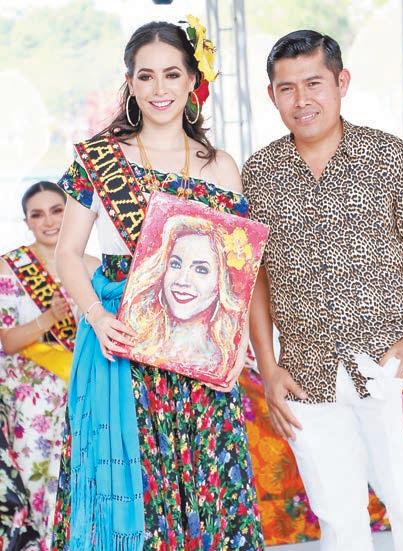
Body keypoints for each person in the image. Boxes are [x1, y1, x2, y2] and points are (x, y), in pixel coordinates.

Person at [52, 19, 264, 551]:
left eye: (172, 74)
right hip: (123, 345)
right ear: (130, 84)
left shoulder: (220, 167)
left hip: (199, 352)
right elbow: (67, 253)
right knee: (139, 494)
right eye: (145, 76)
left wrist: (237, 339)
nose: (159, 89)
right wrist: (97, 318)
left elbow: (237, 268)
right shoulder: (99, 160)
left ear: (193, 80)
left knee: (212, 485)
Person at [243, 30, 403, 551]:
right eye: (287, 88)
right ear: (271, 95)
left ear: (341, 82)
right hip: (305, 373)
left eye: (314, 83)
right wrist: (268, 366)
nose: (302, 99)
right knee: (337, 517)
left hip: (389, 364)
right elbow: (255, 276)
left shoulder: (387, 156)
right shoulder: (259, 174)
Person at [0, 181, 98, 549]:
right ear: (26, 221)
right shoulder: (9, 268)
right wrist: (47, 320)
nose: (49, 221)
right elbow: (8, 341)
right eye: (37, 214)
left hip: (83, 387)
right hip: (31, 397)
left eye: (57, 210)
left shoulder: (94, 267)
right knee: (37, 479)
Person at [123, 215, 246, 376]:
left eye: (201, 270)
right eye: (175, 264)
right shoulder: (137, 341)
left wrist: (242, 346)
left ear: (221, 283)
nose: (182, 280)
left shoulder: (220, 360)